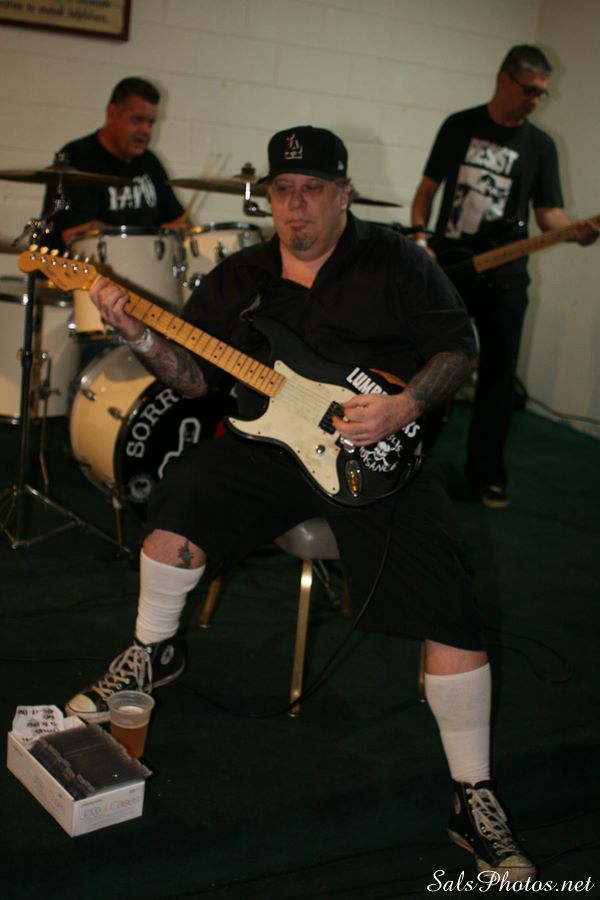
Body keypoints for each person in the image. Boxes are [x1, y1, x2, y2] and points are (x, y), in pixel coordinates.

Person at [65, 125, 535, 881]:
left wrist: (404, 406)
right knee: (185, 491)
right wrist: (140, 337)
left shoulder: (396, 260)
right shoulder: (243, 276)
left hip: (380, 452)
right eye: (284, 191)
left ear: (344, 194)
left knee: (447, 592)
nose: (297, 206)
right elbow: (195, 380)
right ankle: (153, 652)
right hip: (270, 448)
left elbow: (459, 350)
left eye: (313, 190)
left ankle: (472, 794)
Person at [410, 45, 598, 509]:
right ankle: (412, 460)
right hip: (453, 268)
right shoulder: (459, 126)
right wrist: (420, 239)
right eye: (530, 90)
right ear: (504, 80)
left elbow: (548, 215)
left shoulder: (541, 146)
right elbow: (426, 192)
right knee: (433, 365)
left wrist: (575, 231)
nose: (535, 100)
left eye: (541, 94)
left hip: (507, 276)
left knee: (498, 376)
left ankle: (486, 477)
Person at [42, 76, 185, 248]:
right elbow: (77, 234)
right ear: (112, 113)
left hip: (145, 263)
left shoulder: (150, 162)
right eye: (137, 120)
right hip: (88, 264)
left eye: (151, 122)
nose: (146, 130)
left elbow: (178, 221)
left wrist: (178, 230)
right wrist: (150, 238)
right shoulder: (77, 157)